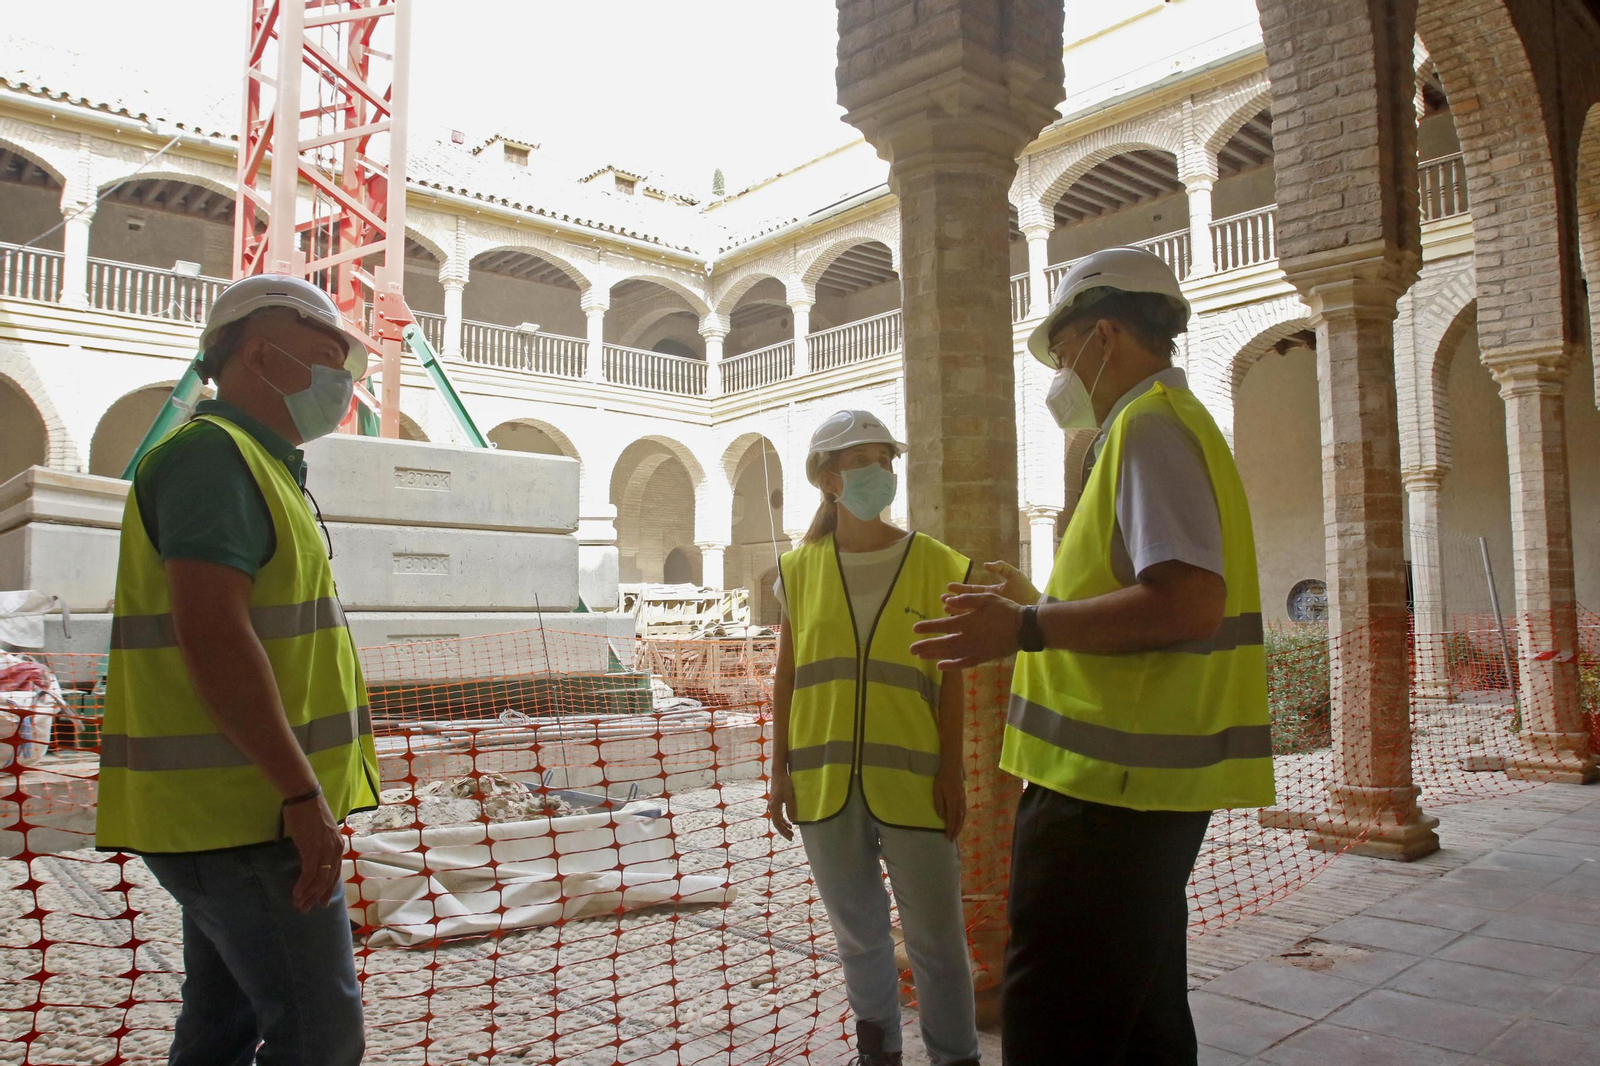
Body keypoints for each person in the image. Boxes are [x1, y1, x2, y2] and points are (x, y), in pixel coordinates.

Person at [909, 247, 1276, 1065]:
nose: (1060, 370)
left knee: (1058, 1020)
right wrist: (1039, 601)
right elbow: (1147, 590)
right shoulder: (1158, 427)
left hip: (1107, 792)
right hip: (1133, 790)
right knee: (1137, 1015)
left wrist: (1025, 629)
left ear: (1105, 333)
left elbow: (1186, 601)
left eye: (1064, 347)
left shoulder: (1147, 429)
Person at [95, 274, 381, 1066]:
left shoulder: (258, 462)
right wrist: (299, 794)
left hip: (232, 810)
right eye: (330, 359)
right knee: (319, 1035)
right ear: (262, 353)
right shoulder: (213, 461)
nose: (343, 384)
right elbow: (214, 636)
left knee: (221, 1025)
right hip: (246, 812)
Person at [767, 410, 981, 1066]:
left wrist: (952, 773)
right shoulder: (797, 571)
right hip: (825, 785)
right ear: (829, 478)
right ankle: (878, 1052)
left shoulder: (940, 565)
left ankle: (956, 1057)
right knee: (860, 939)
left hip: (916, 784)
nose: (881, 473)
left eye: (887, 460)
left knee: (938, 943)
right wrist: (779, 770)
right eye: (865, 461)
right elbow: (788, 677)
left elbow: (951, 682)